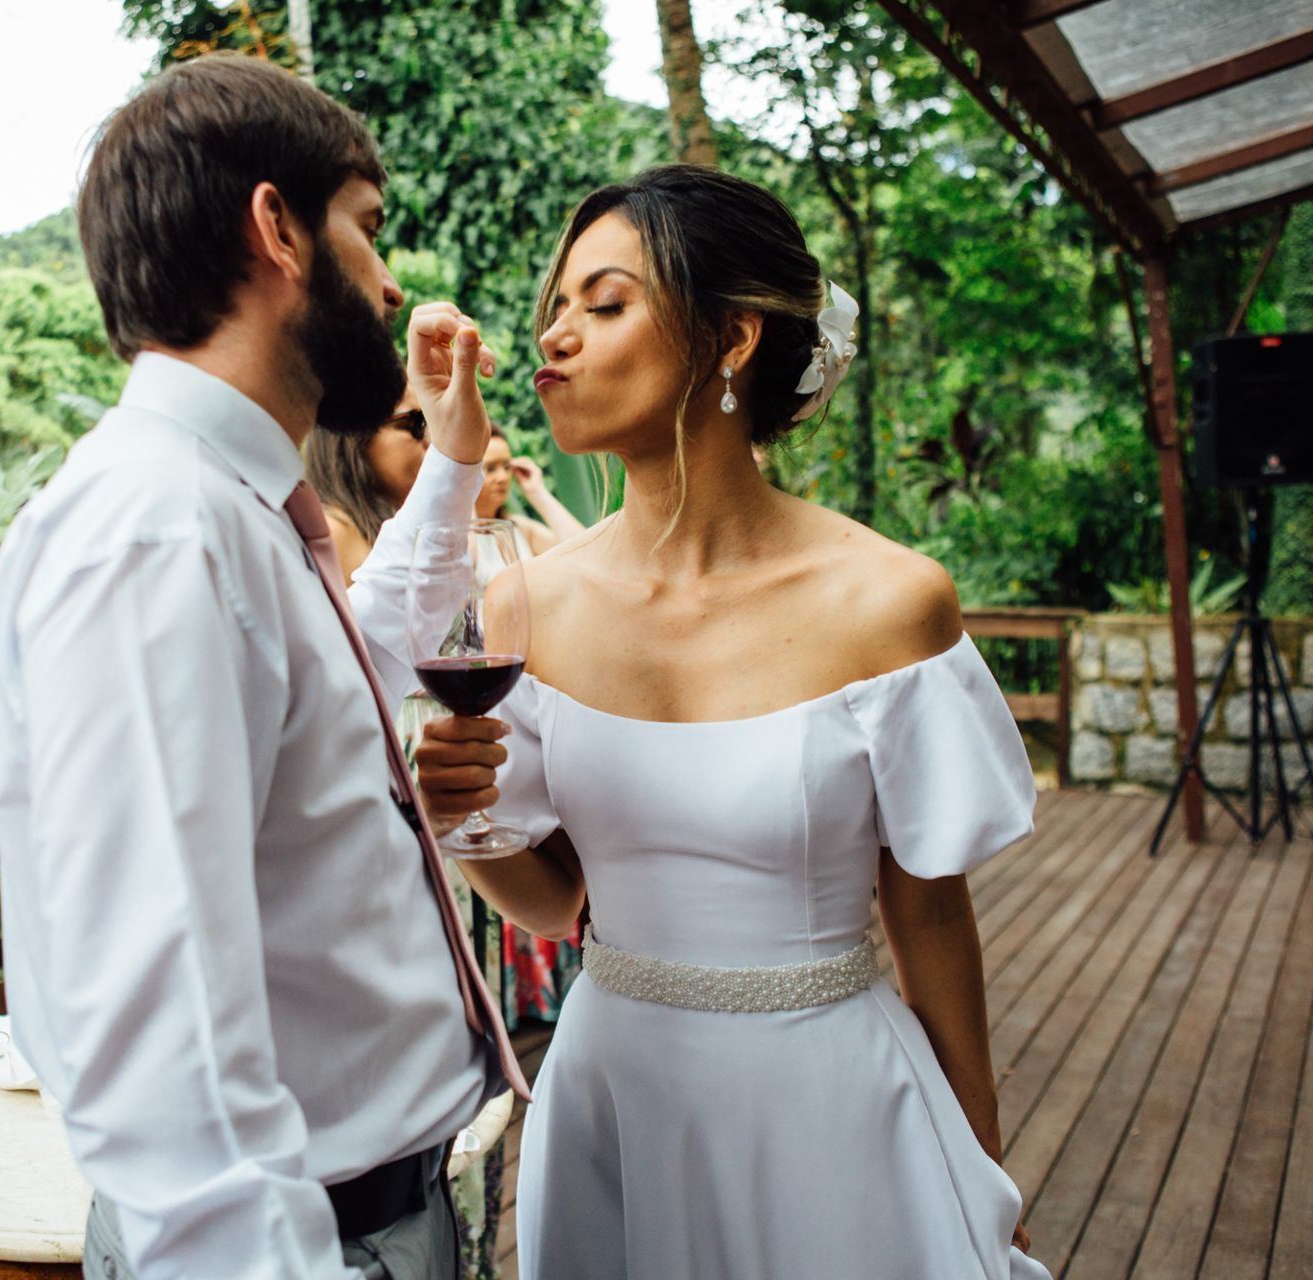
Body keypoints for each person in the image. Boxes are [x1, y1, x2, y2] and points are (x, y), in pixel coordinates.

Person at [402, 166, 1050, 1279]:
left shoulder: (890, 602)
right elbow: (553, 899)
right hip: (614, 1094)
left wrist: (979, 1155)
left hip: (830, 1101)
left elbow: (930, 912)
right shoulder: (516, 605)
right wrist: (453, 816)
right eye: (556, 307)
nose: (555, 337)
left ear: (734, 338)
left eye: (603, 305)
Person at [0, 54, 529, 1280]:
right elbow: (157, 1032)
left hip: (379, 1213)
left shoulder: (228, 510)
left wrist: (451, 462)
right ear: (279, 227)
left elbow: (361, 654)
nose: (390, 285)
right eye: (366, 228)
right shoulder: (155, 531)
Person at [304, 387, 428, 584]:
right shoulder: (331, 533)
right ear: (354, 434)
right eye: (414, 423)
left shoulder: (392, 526)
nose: (429, 441)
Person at [473, 424, 586, 557]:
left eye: (506, 467)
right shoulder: (454, 536)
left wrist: (537, 492)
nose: (503, 477)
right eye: (490, 468)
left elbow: (583, 551)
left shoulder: (520, 529)